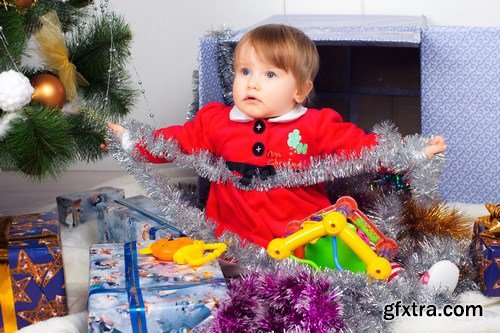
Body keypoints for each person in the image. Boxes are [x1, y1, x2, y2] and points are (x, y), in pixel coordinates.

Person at [107, 24, 456, 292]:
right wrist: (132, 141)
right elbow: (175, 142)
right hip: (233, 243)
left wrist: (411, 151)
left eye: (269, 74)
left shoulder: (315, 125)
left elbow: (362, 147)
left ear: (300, 90)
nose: (252, 84)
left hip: (301, 240)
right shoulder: (216, 121)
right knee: (227, 278)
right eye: (245, 72)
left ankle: (408, 283)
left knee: (346, 257)